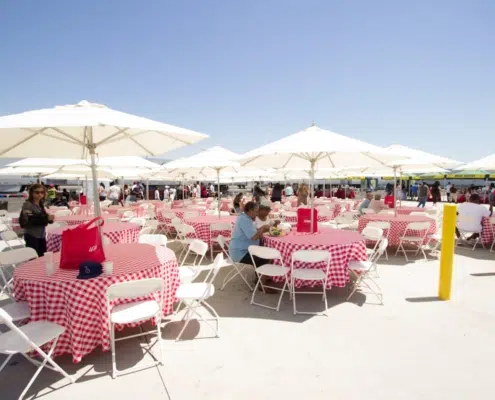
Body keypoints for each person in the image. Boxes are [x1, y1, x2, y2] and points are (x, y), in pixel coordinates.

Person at [19, 184, 54, 256]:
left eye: (42, 192)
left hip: (41, 235)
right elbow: (28, 220)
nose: (40, 194)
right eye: (37, 192)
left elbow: (41, 217)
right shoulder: (27, 204)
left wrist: (49, 219)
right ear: (32, 193)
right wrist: (46, 219)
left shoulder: (41, 204)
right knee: (33, 258)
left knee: (42, 257)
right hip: (31, 235)